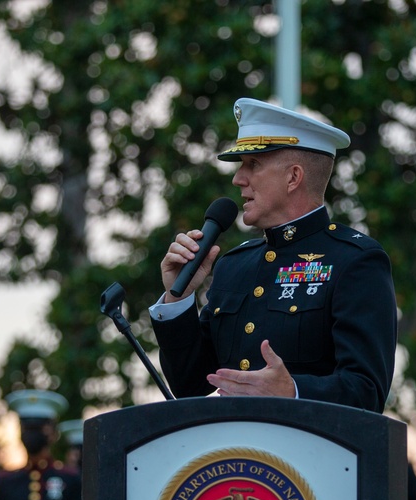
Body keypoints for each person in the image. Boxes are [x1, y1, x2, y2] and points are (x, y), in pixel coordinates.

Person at [150, 97, 397, 413]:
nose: (238, 179)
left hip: (310, 458)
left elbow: (366, 391)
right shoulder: (234, 265)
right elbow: (190, 384)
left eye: (253, 164)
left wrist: (292, 391)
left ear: (294, 177)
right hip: (233, 456)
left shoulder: (355, 261)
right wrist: (179, 298)